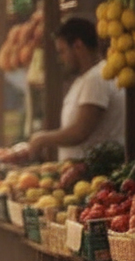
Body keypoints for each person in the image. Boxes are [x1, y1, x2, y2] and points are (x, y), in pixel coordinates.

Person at [27, 16, 125, 161]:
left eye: (62, 51)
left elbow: (80, 131)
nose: (61, 59)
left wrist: (41, 139)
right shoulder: (88, 78)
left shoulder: (96, 78)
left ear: (78, 46)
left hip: (94, 174)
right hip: (81, 174)